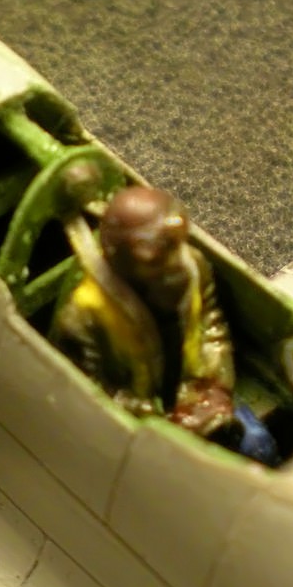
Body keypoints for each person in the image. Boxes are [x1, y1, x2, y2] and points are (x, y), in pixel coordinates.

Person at [52, 185, 277, 463]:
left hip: (194, 392)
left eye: (175, 245)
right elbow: (91, 392)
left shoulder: (194, 267)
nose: (175, 263)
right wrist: (156, 418)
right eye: (157, 255)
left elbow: (213, 327)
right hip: (140, 423)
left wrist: (216, 387)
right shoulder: (83, 316)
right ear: (122, 258)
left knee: (258, 445)